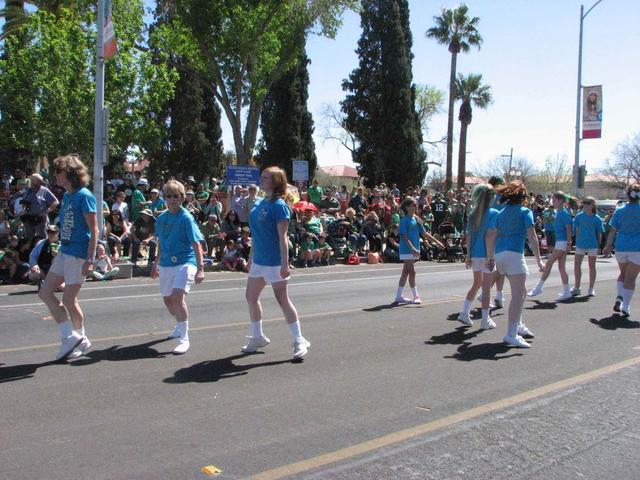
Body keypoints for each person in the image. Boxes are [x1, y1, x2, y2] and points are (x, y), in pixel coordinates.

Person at [242, 166, 310, 359]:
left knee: (282, 300)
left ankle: (299, 340)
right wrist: (250, 258)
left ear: (276, 182)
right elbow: (256, 235)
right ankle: (257, 337)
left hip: (274, 261)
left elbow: (283, 237)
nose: (261, 180)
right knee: (251, 297)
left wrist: (285, 263)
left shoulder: (279, 206)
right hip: (259, 261)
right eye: (261, 177)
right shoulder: (259, 203)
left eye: (265, 177)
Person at [38, 154, 98, 360]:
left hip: (79, 255)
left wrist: (90, 259)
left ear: (69, 173)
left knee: (69, 300)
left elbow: (94, 229)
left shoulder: (84, 195)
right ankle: (70, 337)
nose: (55, 175)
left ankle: (80, 338)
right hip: (65, 251)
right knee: (45, 292)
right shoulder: (68, 196)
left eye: (58, 171)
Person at [485, 181, 544, 348]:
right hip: (514, 254)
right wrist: (539, 259)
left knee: (522, 292)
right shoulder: (525, 212)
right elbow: (532, 236)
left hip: (500, 255)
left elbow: (491, 236)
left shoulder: (500, 213)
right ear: (523, 197)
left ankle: (518, 325)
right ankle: (511, 334)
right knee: (518, 296)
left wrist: (490, 258)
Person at [151, 179, 205, 354]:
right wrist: (155, 263)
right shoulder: (161, 218)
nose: (172, 199)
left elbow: (196, 244)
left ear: (182, 198)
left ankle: (184, 338)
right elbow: (160, 242)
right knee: (168, 301)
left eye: (175, 196)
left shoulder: (186, 218)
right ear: (164, 198)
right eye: (168, 196)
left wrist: (201, 268)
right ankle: (179, 327)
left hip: (185, 262)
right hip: (166, 264)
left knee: (177, 297)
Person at [458, 184, 499, 329]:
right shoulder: (494, 213)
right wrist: (490, 257)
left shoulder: (472, 214)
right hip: (486, 254)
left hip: (475, 254)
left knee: (476, 284)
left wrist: (468, 255)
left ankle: (464, 312)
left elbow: (469, 237)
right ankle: (485, 320)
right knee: (486, 288)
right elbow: (490, 236)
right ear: (491, 198)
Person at [603, 184, 640, 318]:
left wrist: (608, 245)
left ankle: (619, 296)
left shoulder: (619, 210)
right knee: (631, 278)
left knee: (622, 274)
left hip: (621, 247)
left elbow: (613, 230)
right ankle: (625, 306)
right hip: (637, 248)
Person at [528, 192, 573, 300]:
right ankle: (567, 291)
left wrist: (568, 243)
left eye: (555, 199)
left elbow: (568, 228)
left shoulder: (564, 213)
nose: (553, 201)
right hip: (559, 241)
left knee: (549, 263)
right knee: (561, 268)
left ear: (561, 201)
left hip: (562, 242)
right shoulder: (558, 212)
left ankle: (539, 287)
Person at [571, 197, 604, 297]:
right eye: (584, 203)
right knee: (577, 266)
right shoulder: (579, 216)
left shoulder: (597, 218)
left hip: (592, 245)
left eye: (588, 203)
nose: (585, 205)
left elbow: (599, 233)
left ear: (593, 205)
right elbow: (576, 230)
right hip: (580, 244)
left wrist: (599, 246)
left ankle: (591, 288)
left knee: (591, 266)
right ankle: (577, 287)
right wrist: (576, 242)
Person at [19, 173, 59, 241]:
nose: (32, 181)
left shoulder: (44, 190)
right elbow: (24, 202)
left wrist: (47, 211)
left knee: (42, 238)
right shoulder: (28, 190)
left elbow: (55, 202)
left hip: (40, 219)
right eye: (31, 180)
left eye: (34, 180)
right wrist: (23, 210)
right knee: (29, 238)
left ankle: (43, 251)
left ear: (39, 181)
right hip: (29, 218)